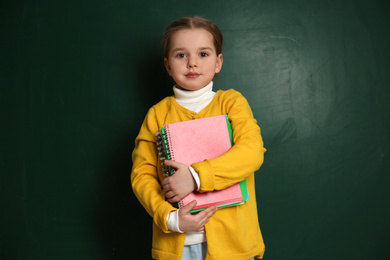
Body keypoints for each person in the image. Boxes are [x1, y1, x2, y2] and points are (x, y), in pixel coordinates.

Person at [131, 16, 266, 260]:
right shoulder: (157, 114)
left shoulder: (231, 102)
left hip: (234, 244)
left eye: (203, 54)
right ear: (168, 65)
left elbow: (252, 151)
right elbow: (142, 174)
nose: (192, 63)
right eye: (181, 55)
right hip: (178, 245)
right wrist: (169, 217)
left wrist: (195, 178)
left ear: (218, 62)